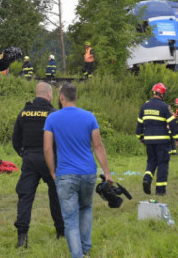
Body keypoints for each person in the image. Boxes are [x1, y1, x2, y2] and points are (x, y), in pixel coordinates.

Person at [44, 84, 112, 258]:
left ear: (61, 98)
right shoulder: (89, 117)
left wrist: (53, 172)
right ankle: (85, 250)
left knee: (70, 218)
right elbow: (98, 146)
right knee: (86, 209)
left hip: (65, 174)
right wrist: (107, 173)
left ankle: (77, 255)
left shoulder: (52, 118)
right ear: (75, 97)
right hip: (88, 173)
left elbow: (47, 149)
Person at [12, 82, 64, 248]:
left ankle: (22, 237)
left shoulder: (24, 112)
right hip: (50, 159)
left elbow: (16, 139)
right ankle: (61, 232)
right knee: (56, 194)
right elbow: (60, 139)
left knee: (25, 197)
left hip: (29, 158)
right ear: (49, 95)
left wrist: (23, 153)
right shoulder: (53, 113)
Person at [136, 83, 178, 196]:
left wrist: (140, 137)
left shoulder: (144, 106)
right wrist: (177, 138)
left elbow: (139, 124)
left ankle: (147, 178)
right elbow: (172, 123)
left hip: (149, 140)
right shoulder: (165, 107)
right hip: (162, 141)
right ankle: (160, 191)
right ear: (162, 93)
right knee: (162, 164)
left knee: (151, 161)